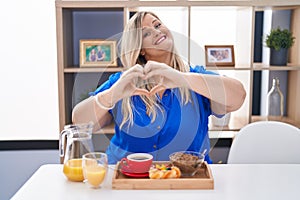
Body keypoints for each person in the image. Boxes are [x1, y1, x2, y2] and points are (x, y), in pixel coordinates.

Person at [72, 11, 246, 164]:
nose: (156, 31)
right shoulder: (123, 82)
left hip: (187, 179)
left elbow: (238, 96)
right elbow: (80, 122)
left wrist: (182, 79)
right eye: (147, 33)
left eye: (157, 24)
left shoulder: (195, 76)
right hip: (126, 179)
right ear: (140, 50)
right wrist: (110, 95)